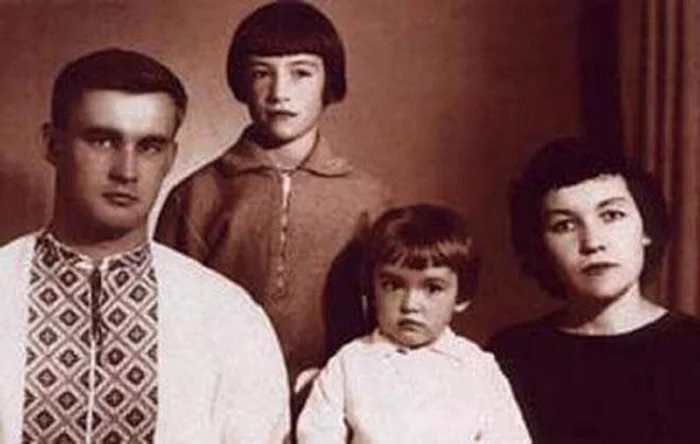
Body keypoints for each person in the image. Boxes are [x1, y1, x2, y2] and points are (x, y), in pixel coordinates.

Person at [0, 48, 289, 443]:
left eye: (150, 146)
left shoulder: (228, 318)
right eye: (102, 141)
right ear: (53, 145)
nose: (127, 171)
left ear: (170, 158)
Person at [154, 1, 391, 396]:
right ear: (241, 84)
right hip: (221, 396)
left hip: (338, 400)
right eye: (262, 73)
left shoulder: (369, 199)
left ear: (329, 82)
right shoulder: (197, 194)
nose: (280, 93)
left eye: (301, 73)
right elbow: (169, 318)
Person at [489, 137, 700, 444]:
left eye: (611, 216)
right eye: (564, 225)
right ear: (539, 245)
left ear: (646, 229)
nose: (592, 242)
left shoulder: (693, 349)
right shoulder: (510, 356)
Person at [297, 204, 531, 443]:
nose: (410, 304)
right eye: (393, 285)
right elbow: (316, 435)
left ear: (461, 297)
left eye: (432, 288)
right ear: (371, 289)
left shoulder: (478, 368)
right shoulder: (350, 363)